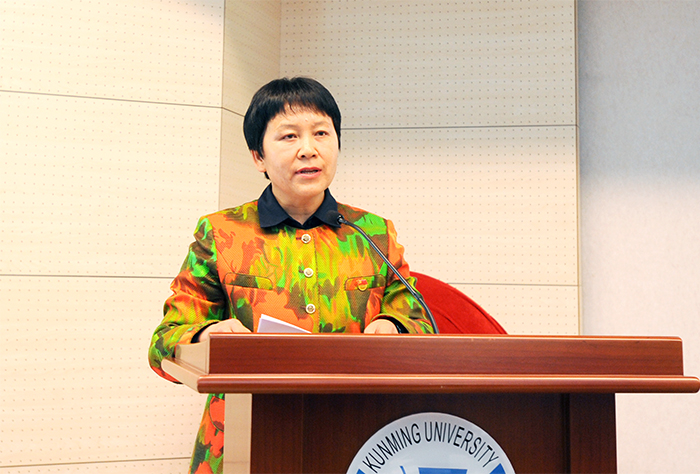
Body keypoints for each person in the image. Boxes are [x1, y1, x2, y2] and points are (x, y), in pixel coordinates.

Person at [148, 77, 433, 474]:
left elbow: (423, 324)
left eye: (321, 133)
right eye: (289, 136)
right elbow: (163, 343)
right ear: (258, 157)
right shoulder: (222, 233)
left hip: (358, 438)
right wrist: (206, 336)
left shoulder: (373, 233)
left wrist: (393, 326)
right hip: (243, 438)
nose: (308, 149)